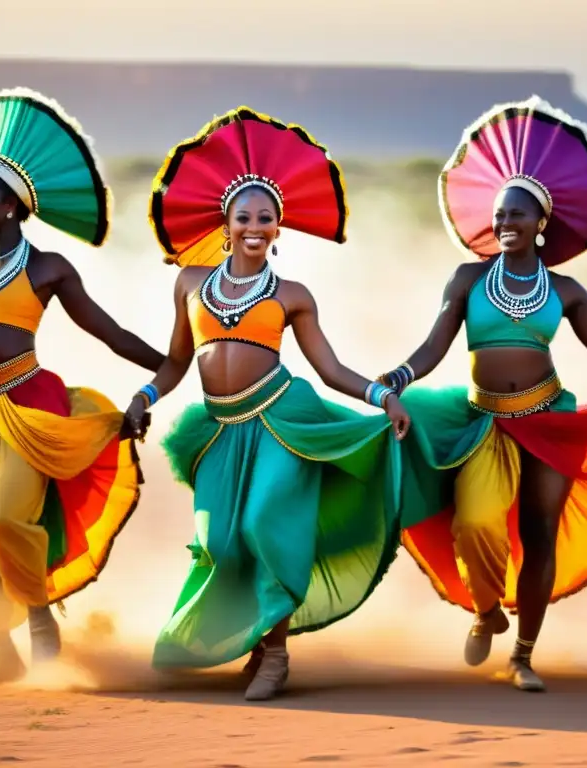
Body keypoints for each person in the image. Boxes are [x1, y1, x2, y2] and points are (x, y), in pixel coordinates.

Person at [380, 96, 587, 692]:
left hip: (549, 422)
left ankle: (522, 653)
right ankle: (488, 610)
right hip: (483, 422)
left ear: (542, 223)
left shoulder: (566, 291)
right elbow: (436, 343)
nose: (505, 222)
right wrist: (398, 378)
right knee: (476, 524)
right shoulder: (468, 278)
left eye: (518, 213)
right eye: (499, 213)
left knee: (541, 534)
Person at [127, 106, 411, 702]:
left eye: (267, 217)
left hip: (284, 422)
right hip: (219, 431)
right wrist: (147, 394)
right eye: (244, 216)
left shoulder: (294, 295)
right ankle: (251, 643)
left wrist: (382, 396)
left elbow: (329, 368)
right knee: (222, 543)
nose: (255, 225)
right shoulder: (187, 283)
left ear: (279, 228)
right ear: (224, 223)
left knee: (265, 525)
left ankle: (277, 657)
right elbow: (178, 361)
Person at [0, 88, 164, 687]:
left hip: (26, 407)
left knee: (4, 524)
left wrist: (172, 363)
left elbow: (110, 333)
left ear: (11, 206)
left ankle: (40, 618)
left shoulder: (49, 269)